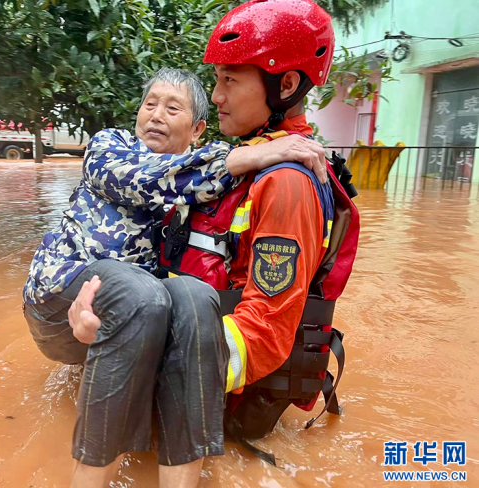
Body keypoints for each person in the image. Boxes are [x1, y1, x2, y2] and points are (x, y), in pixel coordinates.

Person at [69, 0, 360, 481]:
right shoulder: (236, 160)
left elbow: (264, 335)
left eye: (230, 80)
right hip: (182, 348)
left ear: (285, 85)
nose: (217, 95)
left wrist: (149, 355)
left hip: (216, 387)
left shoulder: (286, 182)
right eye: (217, 80)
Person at [23, 67, 328, 487]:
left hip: (127, 313)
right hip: (60, 300)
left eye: (172, 108)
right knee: (141, 293)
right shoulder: (110, 147)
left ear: (198, 129)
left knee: (190, 294)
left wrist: (183, 353)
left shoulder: (217, 183)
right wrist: (244, 156)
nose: (156, 116)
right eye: (149, 105)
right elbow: (148, 178)